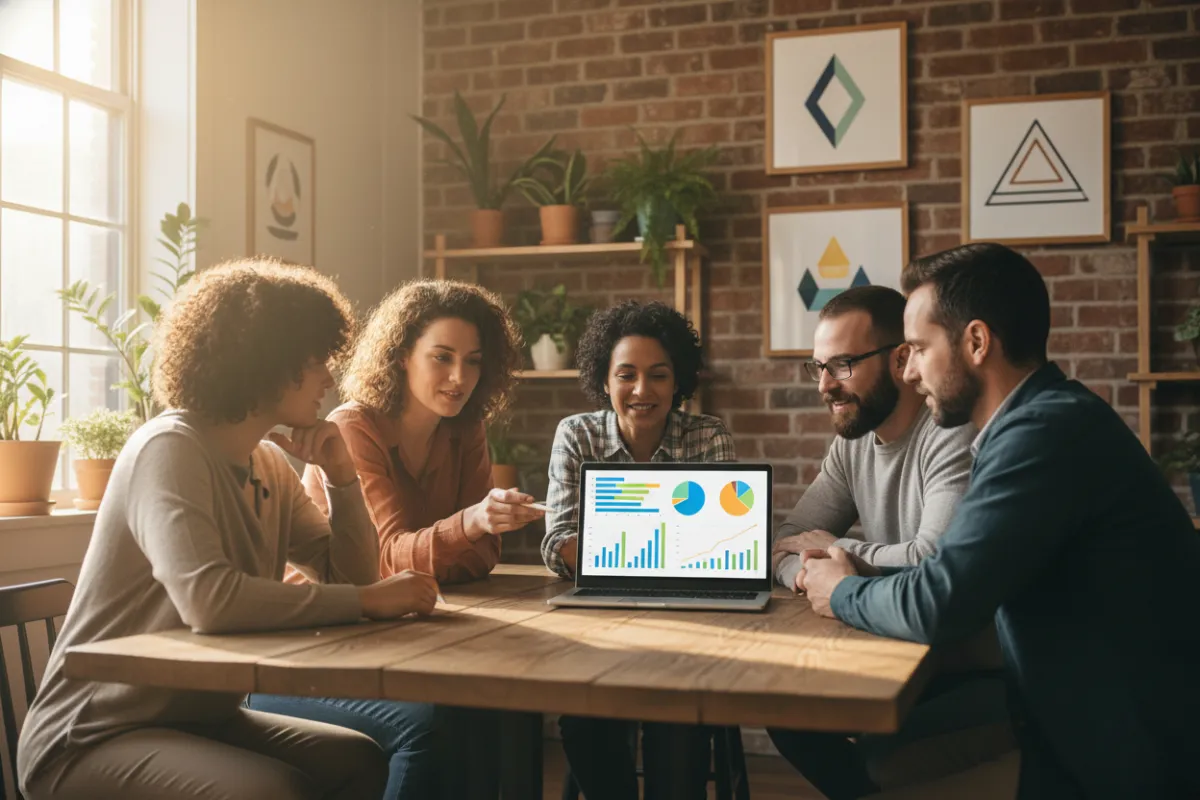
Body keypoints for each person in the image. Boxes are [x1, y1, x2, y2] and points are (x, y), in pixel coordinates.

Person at [18, 259, 441, 800]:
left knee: (356, 760)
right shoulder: (167, 449)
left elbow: (348, 572)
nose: (329, 379)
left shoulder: (267, 463)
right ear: (268, 362)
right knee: (274, 790)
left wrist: (341, 478)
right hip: (92, 735)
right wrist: (363, 600)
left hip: (196, 718)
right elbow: (209, 601)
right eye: (317, 362)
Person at [801, 243, 1200, 799]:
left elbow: (936, 599)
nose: (910, 370)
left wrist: (840, 590)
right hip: (1076, 716)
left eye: (918, 348)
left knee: (876, 767)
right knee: (875, 758)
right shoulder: (1036, 423)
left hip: (1125, 748)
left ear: (977, 343)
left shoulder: (1042, 436)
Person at [246, 279, 541, 799]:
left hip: (407, 633)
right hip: (325, 639)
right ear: (402, 355)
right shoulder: (353, 427)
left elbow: (484, 559)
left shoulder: (465, 430)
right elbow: (383, 564)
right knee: (450, 719)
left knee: (515, 707)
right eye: (442, 357)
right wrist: (465, 527)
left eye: (473, 361)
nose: (459, 377)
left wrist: (440, 549)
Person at [765, 286, 1011, 798]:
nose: (825, 386)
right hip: (892, 642)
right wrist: (816, 570)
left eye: (843, 365)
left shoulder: (949, 432)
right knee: (786, 713)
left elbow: (931, 557)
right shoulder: (850, 446)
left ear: (901, 359)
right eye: (818, 368)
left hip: (967, 665)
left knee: (879, 756)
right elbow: (786, 542)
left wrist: (840, 551)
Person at [542, 300, 736, 800]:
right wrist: (671, 551)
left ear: (679, 382)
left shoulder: (708, 435)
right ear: (604, 380)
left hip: (690, 626)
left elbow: (721, 545)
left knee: (679, 724)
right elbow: (559, 539)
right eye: (626, 374)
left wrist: (614, 550)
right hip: (598, 626)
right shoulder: (577, 434)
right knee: (586, 722)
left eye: (659, 375)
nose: (642, 391)